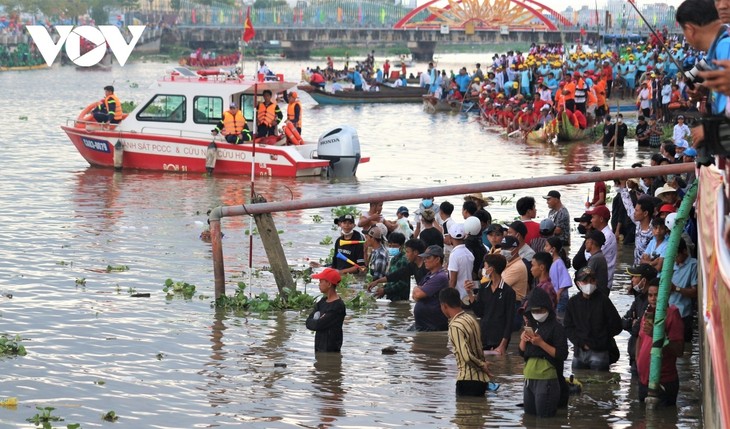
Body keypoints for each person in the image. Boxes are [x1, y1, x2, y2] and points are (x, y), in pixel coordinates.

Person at [519, 287, 569, 418]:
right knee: (529, 418)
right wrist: (523, 340)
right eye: (534, 311)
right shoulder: (532, 326)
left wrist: (541, 343)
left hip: (547, 380)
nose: (538, 313)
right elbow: (522, 352)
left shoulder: (556, 327)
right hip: (529, 379)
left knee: (544, 421)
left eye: (541, 310)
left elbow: (561, 354)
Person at [564, 267, 622, 371]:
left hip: (600, 353)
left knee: (599, 383)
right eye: (585, 281)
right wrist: (580, 343)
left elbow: (617, 325)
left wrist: (601, 340)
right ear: (578, 283)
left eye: (592, 280)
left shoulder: (604, 301)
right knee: (577, 384)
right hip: (579, 354)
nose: (589, 284)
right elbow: (568, 327)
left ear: (596, 281)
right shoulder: (573, 303)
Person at [636, 281, 684, 406]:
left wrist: (657, 336)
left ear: (665, 296)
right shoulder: (647, 313)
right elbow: (640, 339)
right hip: (643, 380)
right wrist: (638, 363)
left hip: (663, 382)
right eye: (650, 295)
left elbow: (679, 350)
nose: (653, 299)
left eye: (656, 295)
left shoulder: (672, 314)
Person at [439, 287, 493, 396]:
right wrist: (482, 364)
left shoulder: (455, 326)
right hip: (481, 381)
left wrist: (482, 365)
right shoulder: (471, 319)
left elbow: (466, 356)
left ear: (444, 306)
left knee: (464, 411)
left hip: (467, 380)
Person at [464, 253, 515, 355]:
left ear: (491, 269)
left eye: (485, 266)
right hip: (483, 336)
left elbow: (510, 321)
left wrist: (503, 345)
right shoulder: (483, 288)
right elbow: (479, 312)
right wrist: (470, 293)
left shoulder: (508, 292)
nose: (484, 268)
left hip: (499, 339)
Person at [623, 263, 658, 375]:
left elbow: (638, 329)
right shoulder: (639, 299)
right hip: (634, 355)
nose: (632, 280)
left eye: (635, 277)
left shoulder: (652, 304)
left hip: (645, 356)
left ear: (644, 280)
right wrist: (631, 322)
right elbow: (623, 322)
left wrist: (635, 322)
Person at [306, 268, 346, 352]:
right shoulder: (322, 301)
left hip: (331, 351)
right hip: (319, 347)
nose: (319, 284)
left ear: (329, 284)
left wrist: (317, 320)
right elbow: (308, 322)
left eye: (321, 281)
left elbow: (318, 325)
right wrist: (318, 319)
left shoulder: (338, 306)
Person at [411, 245, 449, 331]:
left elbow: (418, 294)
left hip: (433, 326)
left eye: (428, 258)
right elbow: (415, 296)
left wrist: (418, 289)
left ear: (437, 259)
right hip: (424, 325)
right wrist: (417, 289)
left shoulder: (440, 277)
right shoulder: (429, 275)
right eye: (424, 258)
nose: (425, 261)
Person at [668, 238, 698, 342]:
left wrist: (675, 288)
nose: (675, 259)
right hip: (669, 311)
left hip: (683, 314)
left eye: (677, 255)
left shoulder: (693, 265)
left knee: (683, 347)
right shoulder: (672, 265)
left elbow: (695, 292)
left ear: (684, 251)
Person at [585, 205, 617, 292]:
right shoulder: (599, 234)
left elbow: (590, 254)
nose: (591, 220)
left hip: (602, 282)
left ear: (601, 219)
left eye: (593, 217)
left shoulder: (608, 236)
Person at [544, 236, 571, 322]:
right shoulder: (554, 262)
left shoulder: (559, 263)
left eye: (547, 246)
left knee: (560, 319)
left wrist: (558, 295)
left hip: (560, 298)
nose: (545, 248)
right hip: (555, 297)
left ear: (553, 249)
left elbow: (565, 281)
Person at [447, 224, 474, 300]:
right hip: (469, 294)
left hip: (459, 296)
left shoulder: (454, 255)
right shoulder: (469, 253)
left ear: (450, 237)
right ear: (464, 237)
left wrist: (449, 299)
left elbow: (453, 280)